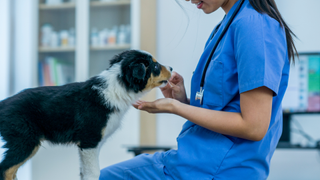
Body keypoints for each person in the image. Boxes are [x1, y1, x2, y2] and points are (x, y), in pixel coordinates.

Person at [99, 0, 297, 179]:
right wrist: (182, 100)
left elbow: (254, 127)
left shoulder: (255, 26)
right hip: (194, 162)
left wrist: (176, 108)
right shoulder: (228, 25)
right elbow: (225, 108)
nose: (190, 0)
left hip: (218, 170)